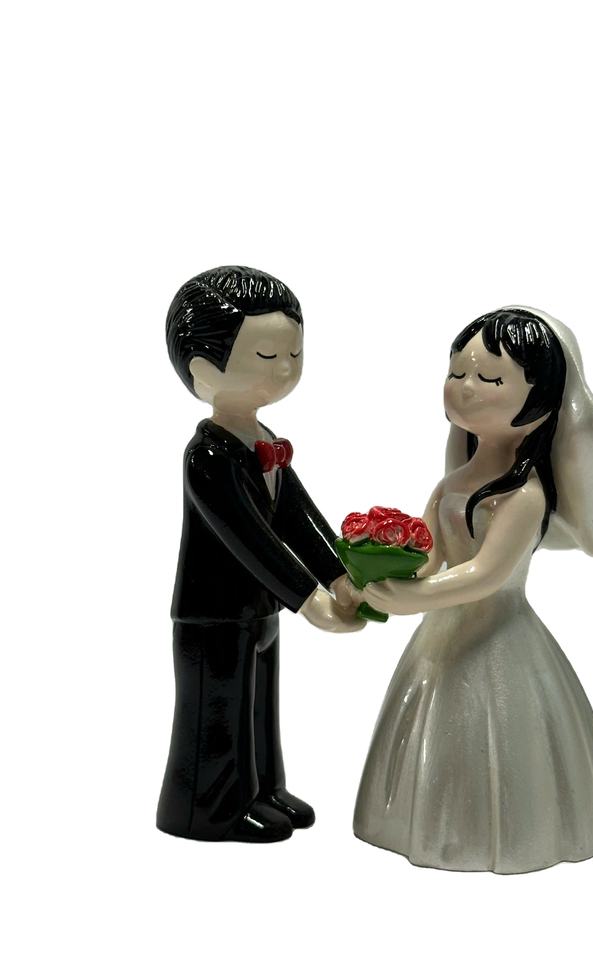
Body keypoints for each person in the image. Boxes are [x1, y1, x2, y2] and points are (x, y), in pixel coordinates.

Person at [350, 307, 593, 873]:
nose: (465, 387)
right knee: (437, 734)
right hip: (441, 634)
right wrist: (386, 574)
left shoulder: (524, 495)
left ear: (540, 399)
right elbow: (432, 558)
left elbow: (487, 575)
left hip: (497, 633)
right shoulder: (451, 483)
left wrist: (417, 597)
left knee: (498, 733)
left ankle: (504, 833)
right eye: (457, 373)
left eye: (489, 378)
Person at [157, 265, 363, 844]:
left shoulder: (265, 442)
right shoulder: (207, 458)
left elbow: (299, 519)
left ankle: (263, 788)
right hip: (214, 613)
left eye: (294, 354)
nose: (286, 370)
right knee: (217, 712)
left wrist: (340, 575)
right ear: (204, 370)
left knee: (259, 707)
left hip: (261, 606)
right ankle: (209, 809)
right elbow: (251, 537)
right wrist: (311, 601)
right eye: (267, 357)